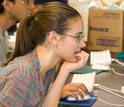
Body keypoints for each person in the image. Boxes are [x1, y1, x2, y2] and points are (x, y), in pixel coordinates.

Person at [0, 2, 89, 107]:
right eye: (78, 37)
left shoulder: (46, 68)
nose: (83, 44)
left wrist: (65, 70)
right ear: (54, 38)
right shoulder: (22, 76)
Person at [0, 0, 34, 66]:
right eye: (27, 2)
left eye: (32, 1)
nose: (32, 6)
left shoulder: (4, 33)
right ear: (7, 5)